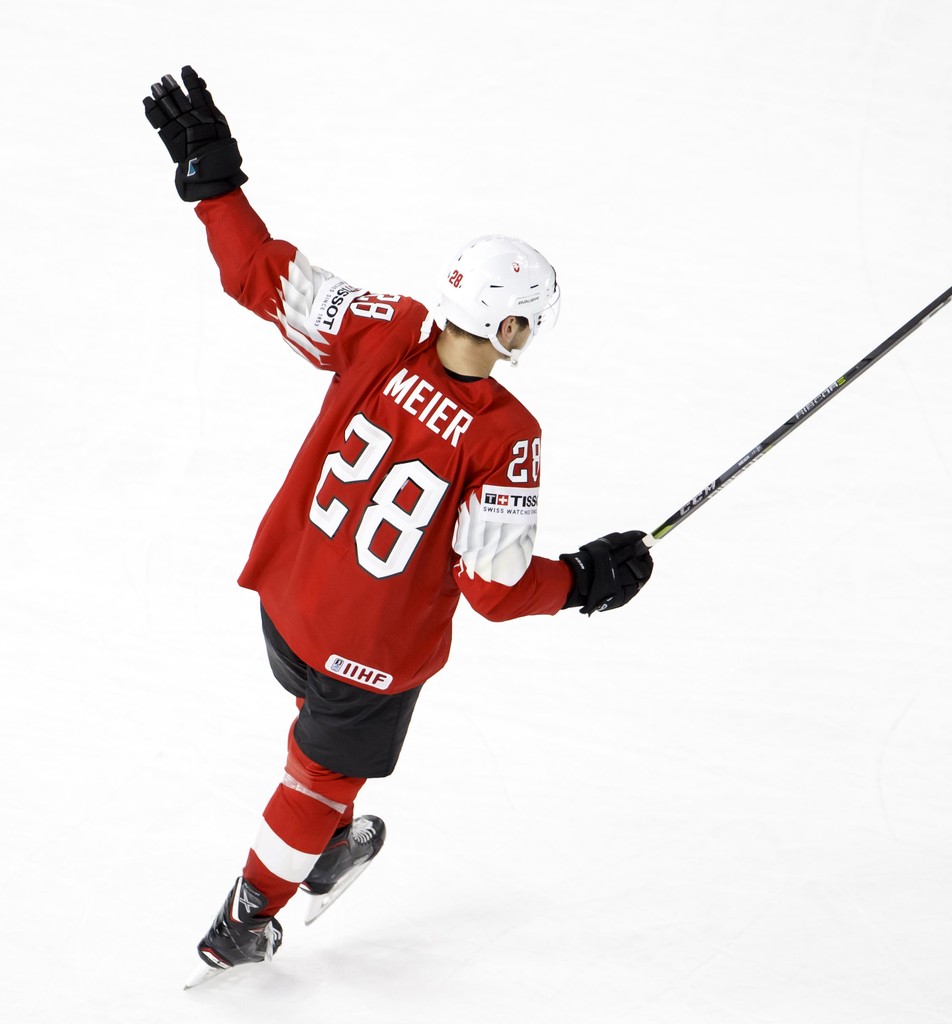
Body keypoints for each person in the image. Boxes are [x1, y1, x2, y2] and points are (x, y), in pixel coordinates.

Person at [143, 66, 656, 984]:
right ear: (506, 330)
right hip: (367, 655)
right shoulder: (505, 436)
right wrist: (585, 580)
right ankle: (248, 914)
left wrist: (213, 178)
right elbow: (494, 592)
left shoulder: (385, 328)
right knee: (319, 776)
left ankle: (320, 841)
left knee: (320, 731)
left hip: (286, 604)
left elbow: (258, 275)